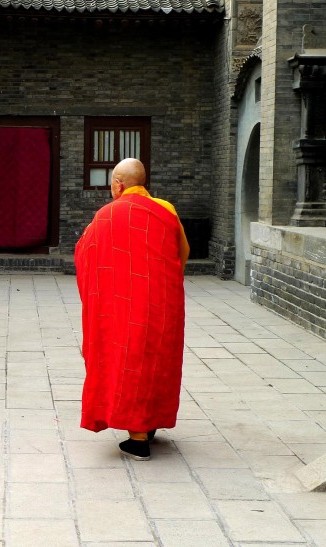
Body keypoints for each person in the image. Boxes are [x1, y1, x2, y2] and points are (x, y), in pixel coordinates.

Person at [74, 158, 190, 461]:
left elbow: (86, 253)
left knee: (128, 360)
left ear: (118, 184)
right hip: (162, 301)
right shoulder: (166, 209)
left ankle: (138, 439)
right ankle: (150, 423)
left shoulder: (105, 215)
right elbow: (182, 253)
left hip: (123, 303)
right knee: (157, 360)